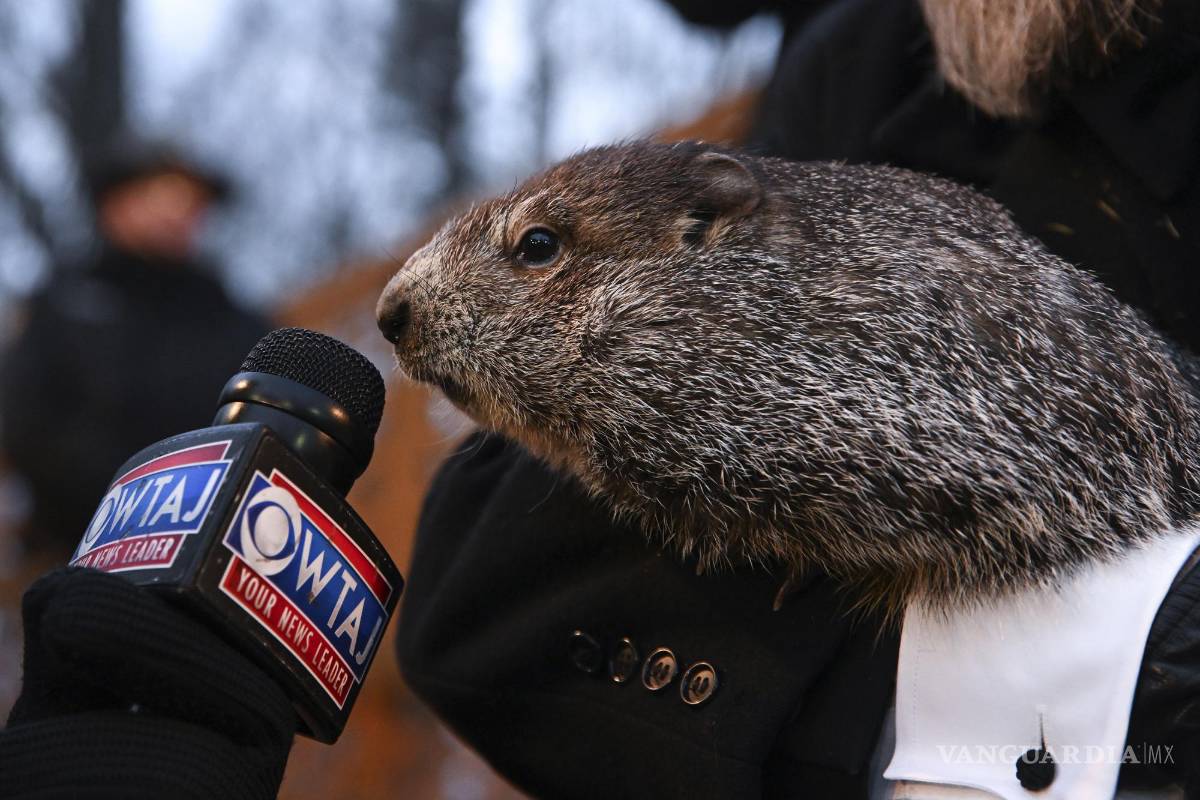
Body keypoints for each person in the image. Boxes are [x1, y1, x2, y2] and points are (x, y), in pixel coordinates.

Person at [0, 139, 271, 558]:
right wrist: (135, 495)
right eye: (158, 195)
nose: (177, 212)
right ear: (113, 205)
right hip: (89, 542)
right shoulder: (64, 304)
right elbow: (27, 421)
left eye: (190, 201)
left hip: (221, 537)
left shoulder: (231, 316)